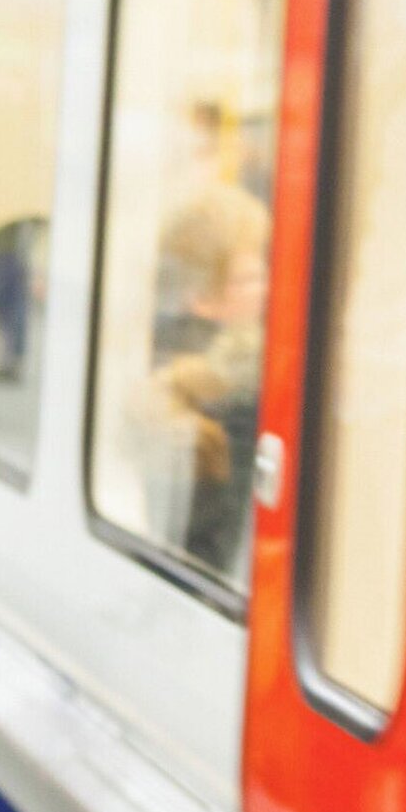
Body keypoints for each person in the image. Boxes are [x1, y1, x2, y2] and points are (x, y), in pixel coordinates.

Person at [127, 183, 271, 580]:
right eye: (252, 277)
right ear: (200, 297)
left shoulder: (167, 350)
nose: (269, 287)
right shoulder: (233, 387)